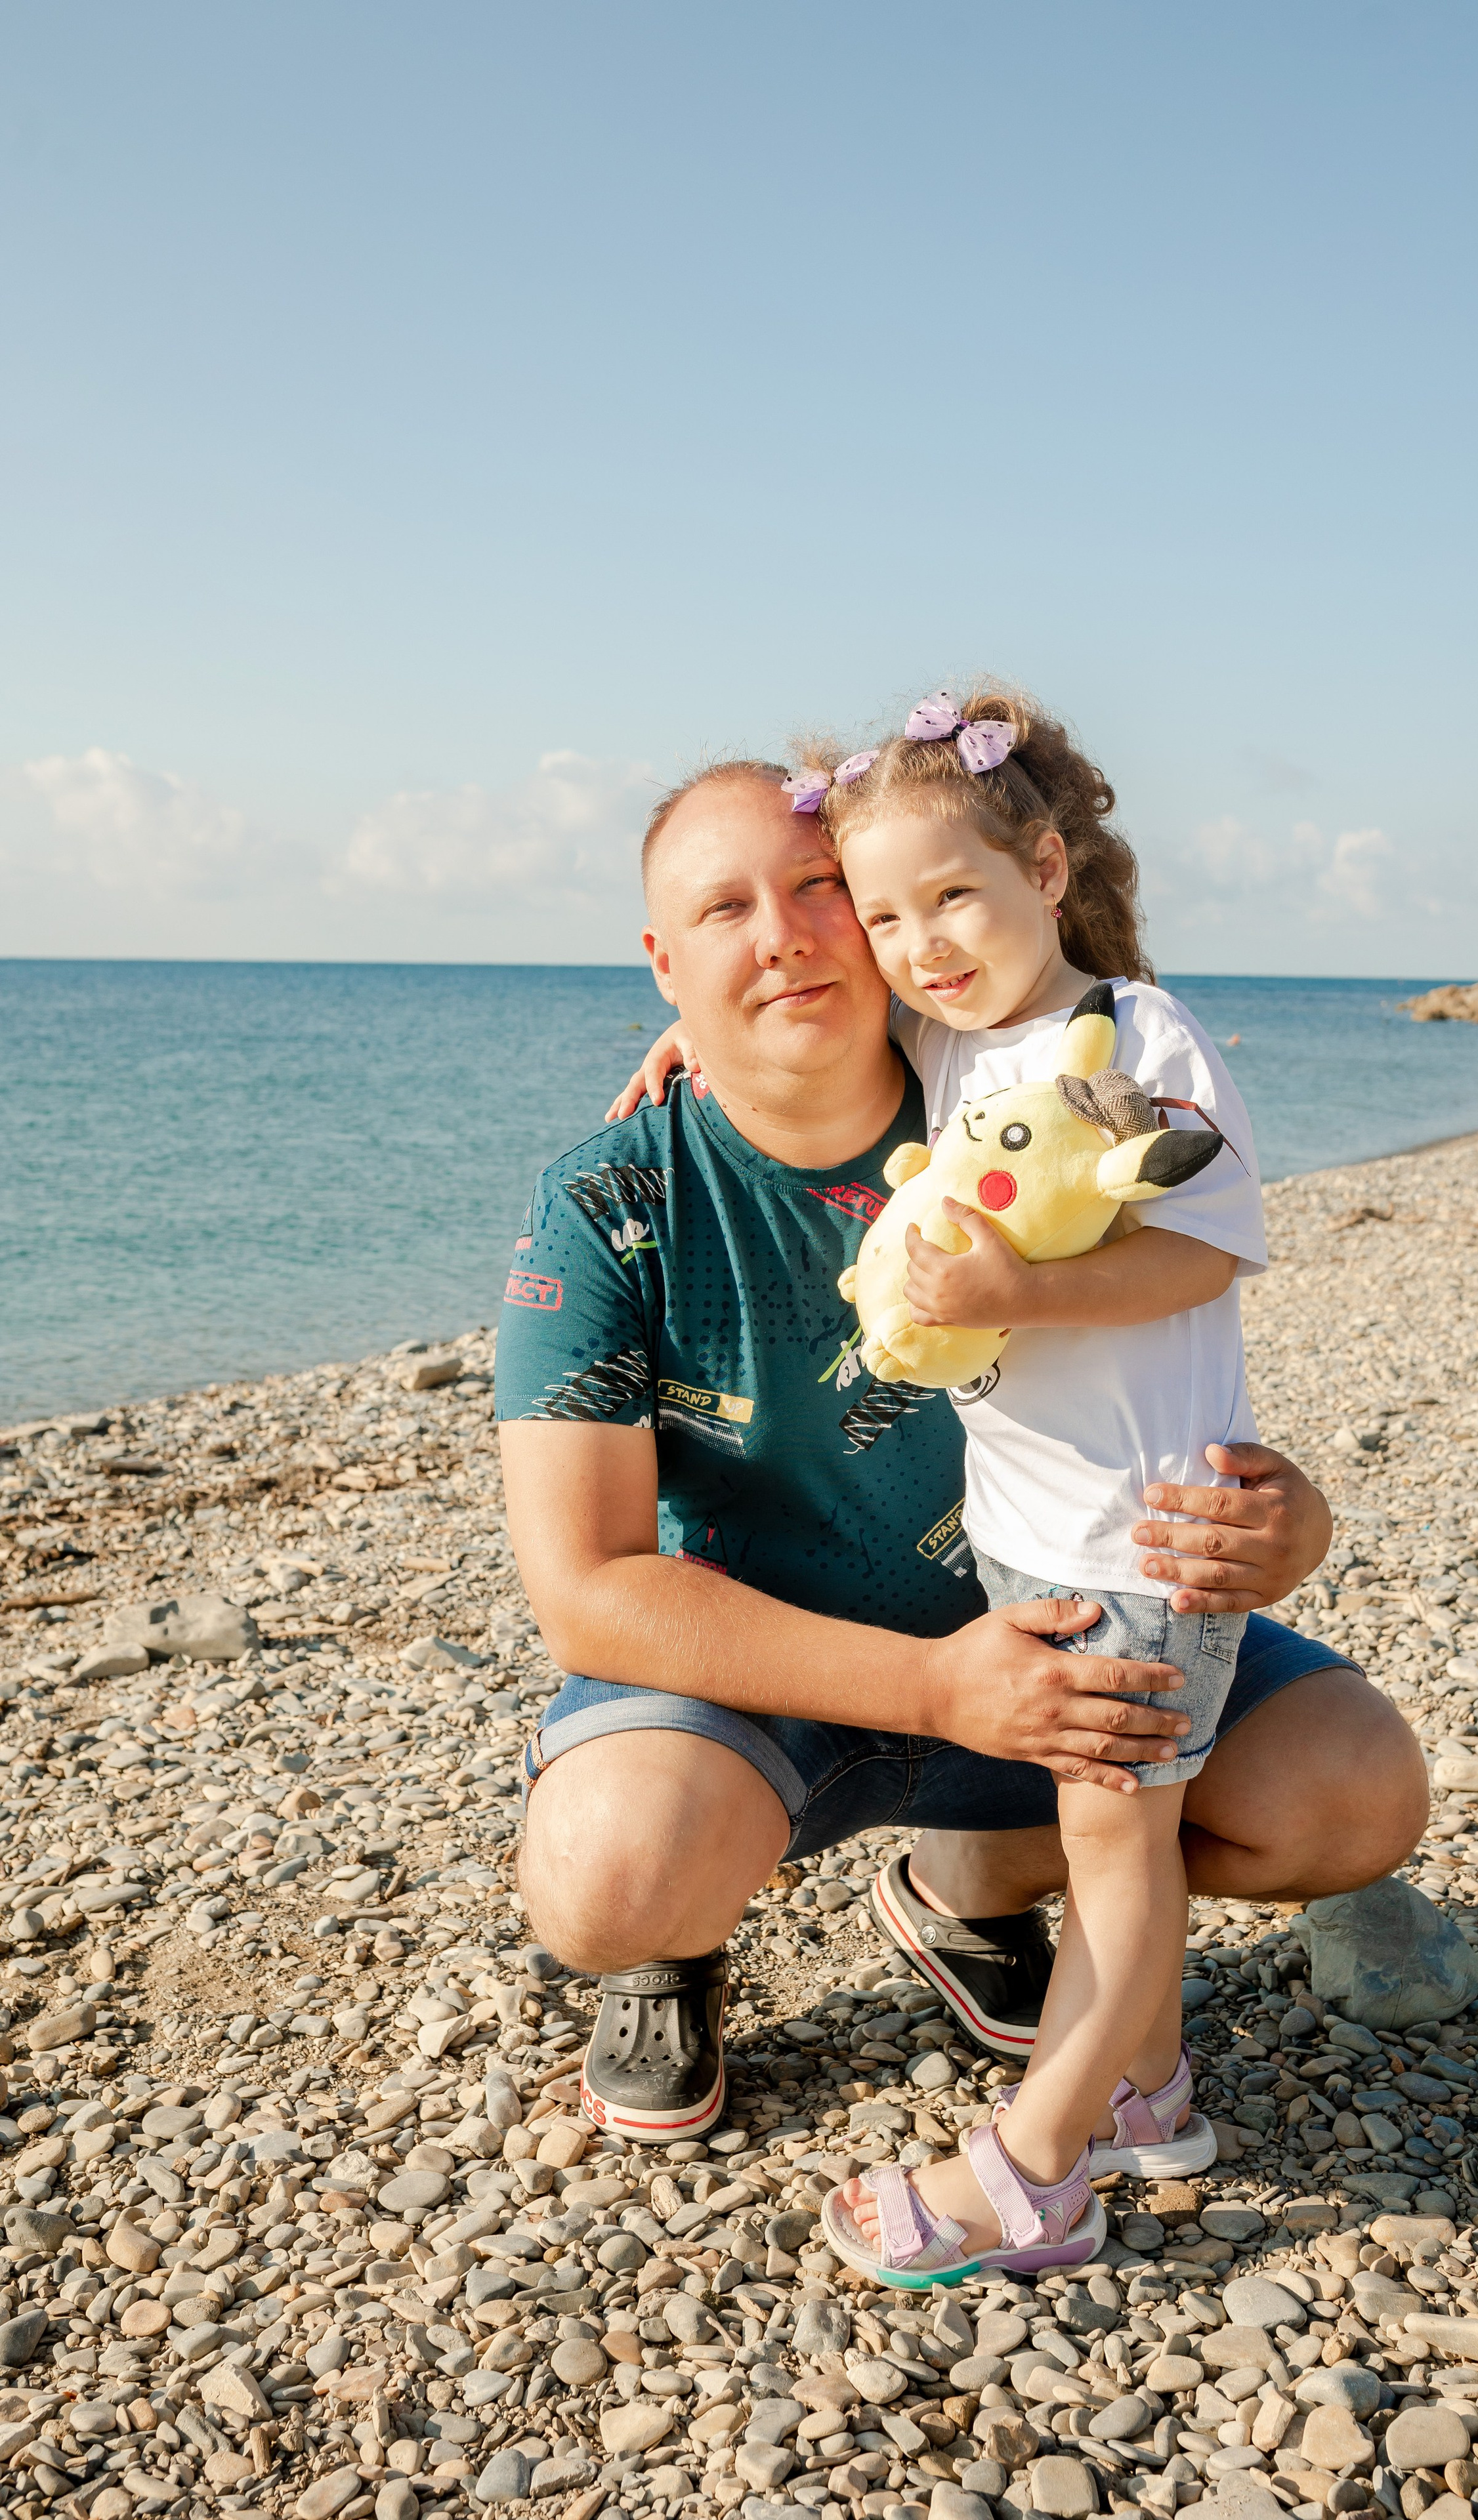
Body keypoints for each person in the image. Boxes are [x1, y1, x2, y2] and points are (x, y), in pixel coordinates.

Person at [496, 757, 1429, 2172]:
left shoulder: (1002, 1100)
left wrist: (1286, 1521)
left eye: (820, 893)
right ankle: (672, 1958)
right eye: (724, 910)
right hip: (772, 1676)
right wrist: (934, 1687)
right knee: (607, 1878)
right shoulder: (613, 1196)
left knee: (1356, 1795)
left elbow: (1164, 1323)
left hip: (1054, 1629)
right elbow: (583, 1592)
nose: (784, 936)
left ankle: (971, 1886)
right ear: (661, 960)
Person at [617, 688, 1267, 2284]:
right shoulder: (956, 1034)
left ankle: (1033, 2170)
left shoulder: (1138, 1037)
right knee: (1106, 1826)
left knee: (1120, 1854)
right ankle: (1147, 2094)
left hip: (1147, 1539)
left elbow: (1205, 1243)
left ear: (1046, 867)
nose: (917, 944)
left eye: (954, 898)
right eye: (886, 913)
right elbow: (792, 1024)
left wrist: (1020, 1300)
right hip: (1033, 1538)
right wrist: (685, 1034)